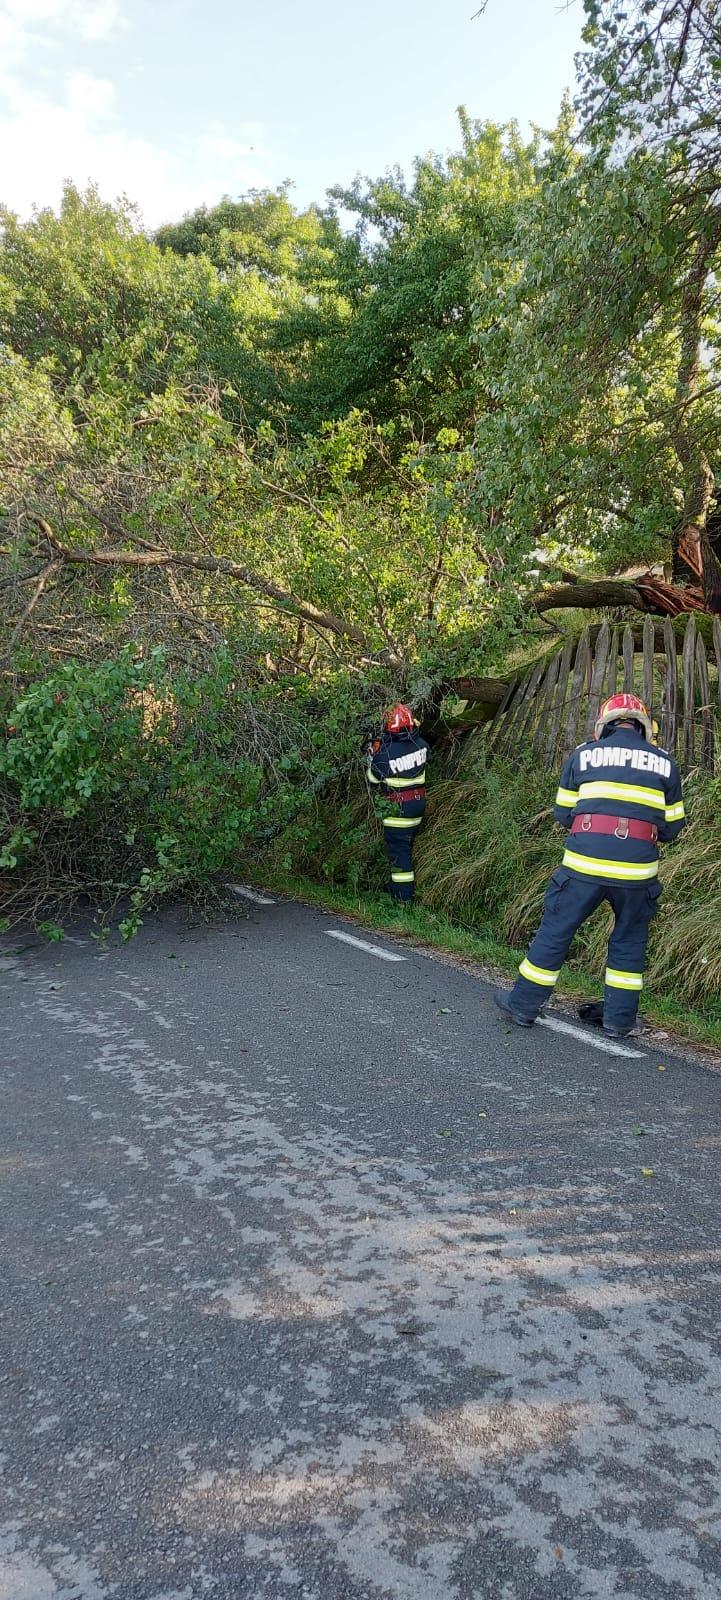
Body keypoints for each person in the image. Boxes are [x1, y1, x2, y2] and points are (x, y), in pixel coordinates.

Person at [494, 693, 685, 1038]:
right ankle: (619, 1021)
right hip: (637, 872)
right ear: (643, 727)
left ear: (604, 724)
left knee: (556, 930)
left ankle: (523, 1006)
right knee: (629, 941)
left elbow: (563, 813)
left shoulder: (583, 755)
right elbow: (672, 828)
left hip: (584, 864)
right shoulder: (665, 763)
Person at [366, 704, 429, 903]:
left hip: (398, 811)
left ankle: (403, 898)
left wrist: (372, 757)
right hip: (418, 805)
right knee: (405, 848)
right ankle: (397, 887)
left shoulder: (384, 755)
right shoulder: (422, 745)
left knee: (399, 851)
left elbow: (372, 780)